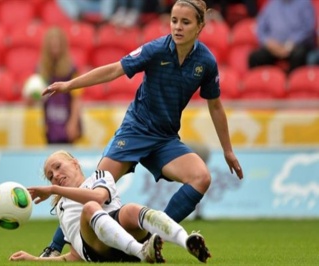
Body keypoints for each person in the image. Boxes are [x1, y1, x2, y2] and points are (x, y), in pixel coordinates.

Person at [40, 0, 243, 258]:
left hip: (165, 140)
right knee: (94, 193)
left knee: (201, 177)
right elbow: (114, 69)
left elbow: (215, 106)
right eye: (174, 21)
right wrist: (70, 85)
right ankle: (54, 247)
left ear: (200, 26)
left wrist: (228, 150)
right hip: (134, 132)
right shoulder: (155, 50)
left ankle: (156, 236)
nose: (178, 27)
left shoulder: (206, 61)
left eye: (186, 22)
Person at [9, 150, 211, 263]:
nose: (56, 176)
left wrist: (53, 189)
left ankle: (187, 241)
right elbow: (73, 257)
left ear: (75, 163)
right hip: (96, 250)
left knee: (131, 209)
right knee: (89, 208)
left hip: (122, 240)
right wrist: (34, 259)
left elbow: (98, 197)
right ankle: (142, 252)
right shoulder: (62, 209)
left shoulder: (101, 176)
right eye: (51, 175)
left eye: (58, 167)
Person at [22, 26, 82, 144]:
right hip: (49, 124)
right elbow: (36, 97)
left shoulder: (71, 69)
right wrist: (30, 99)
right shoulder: (40, 70)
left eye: (58, 46)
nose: (55, 50)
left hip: (67, 120)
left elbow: (77, 98)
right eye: (52, 46)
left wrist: (73, 122)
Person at [248, 0, 316, 74]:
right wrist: (268, 42)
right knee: (255, 58)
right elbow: (260, 28)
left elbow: (308, 29)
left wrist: (291, 43)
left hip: (296, 45)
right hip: (275, 46)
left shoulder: (304, 3)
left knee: (298, 56)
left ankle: (293, 83)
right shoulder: (272, 4)